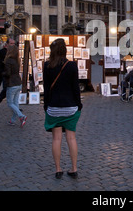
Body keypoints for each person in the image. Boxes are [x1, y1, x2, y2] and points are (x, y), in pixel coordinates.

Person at [43, 38, 82, 179]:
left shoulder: (47, 65)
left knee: (56, 139)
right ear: (64, 50)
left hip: (54, 107)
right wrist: (79, 105)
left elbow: (47, 88)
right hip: (70, 106)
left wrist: (46, 105)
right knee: (71, 138)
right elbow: (75, 88)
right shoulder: (71, 65)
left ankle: (58, 169)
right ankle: (74, 168)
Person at [4, 44, 27, 127]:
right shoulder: (17, 60)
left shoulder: (8, 61)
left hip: (12, 84)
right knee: (15, 103)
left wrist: (1, 73)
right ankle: (13, 120)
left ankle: (22, 116)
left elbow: (8, 73)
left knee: (10, 103)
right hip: (18, 82)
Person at [0, 38, 16, 110]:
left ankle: (15, 106)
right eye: (11, 43)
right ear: (7, 44)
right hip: (5, 73)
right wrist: (2, 72)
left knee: (14, 89)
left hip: (13, 73)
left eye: (14, 44)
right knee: (6, 89)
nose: (13, 45)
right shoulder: (2, 52)